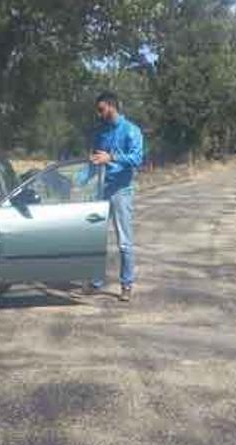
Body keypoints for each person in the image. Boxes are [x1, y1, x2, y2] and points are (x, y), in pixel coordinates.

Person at [87, 91, 144, 302]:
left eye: (101, 109)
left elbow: (137, 159)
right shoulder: (100, 132)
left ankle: (126, 285)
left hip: (122, 191)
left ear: (112, 106)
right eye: (98, 110)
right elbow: (94, 160)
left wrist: (111, 157)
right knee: (95, 238)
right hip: (101, 190)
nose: (99, 113)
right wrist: (79, 182)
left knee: (124, 242)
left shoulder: (132, 130)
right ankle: (95, 282)